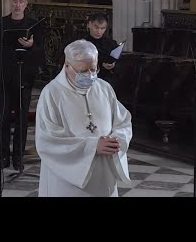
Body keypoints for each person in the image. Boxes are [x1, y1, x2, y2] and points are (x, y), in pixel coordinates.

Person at [35, 39, 132, 197]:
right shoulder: (52, 93)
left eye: (94, 69)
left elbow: (123, 122)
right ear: (67, 66)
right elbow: (48, 140)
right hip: (68, 181)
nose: (90, 75)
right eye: (83, 71)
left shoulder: (104, 88)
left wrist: (116, 140)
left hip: (103, 174)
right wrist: (93, 146)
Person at [0, 0, 44, 171]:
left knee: (21, 120)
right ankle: (3, 157)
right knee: (2, 119)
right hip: (3, 76)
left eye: (21, 2)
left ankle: (18, 158)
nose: (17, 5)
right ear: (10, 2)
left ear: (26, 4)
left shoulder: (35, 25)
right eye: (15, 1)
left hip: (24, 77)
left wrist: (32, 45)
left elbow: (42, 52)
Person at [82, 12, 119, 85]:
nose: (99, 32)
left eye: (102, 28)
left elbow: (117, 57)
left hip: (107, 79)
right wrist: (100, 64)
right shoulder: (82, 43)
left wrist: (114, 63)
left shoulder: (111, 43)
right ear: (89, 25)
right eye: (96, 27)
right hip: (87, 78)